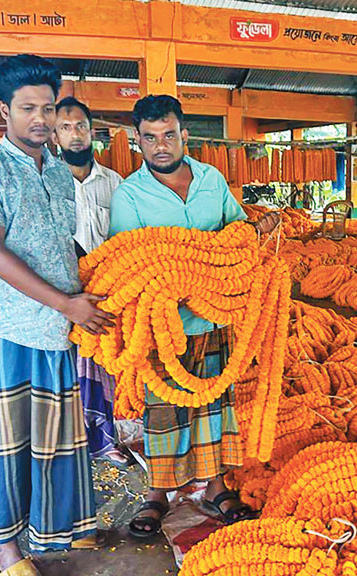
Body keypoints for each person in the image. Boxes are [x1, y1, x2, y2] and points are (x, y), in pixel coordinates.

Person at [0, 54, 113, 576]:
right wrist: (66, 302)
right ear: (4, 109)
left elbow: (61, 244)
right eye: (28, 108)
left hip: (60, 328)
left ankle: (53, 530)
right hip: (11, 329)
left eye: (48, 108)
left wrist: (110, 275)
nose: (41, 119)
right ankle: (7, 553)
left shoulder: (61, 174)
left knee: (59, 439)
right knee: (10, 444)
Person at [109, 95, 280, 539]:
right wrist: (174, 284)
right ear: (137, 142)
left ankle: (217, 489)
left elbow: (236, 234)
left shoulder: (212, 180)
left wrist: (256, 232)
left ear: (184, 134)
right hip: (165, 327)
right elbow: (128, 262)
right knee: (164, 413)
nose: (160, 145)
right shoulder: (130, 195)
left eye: (168, 135)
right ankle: (158, 495)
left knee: (215, 408)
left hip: (216, 318)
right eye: (150, 138)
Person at [51, 96, 134, 468]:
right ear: (55, 134)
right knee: (67, 369)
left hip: (108, 292)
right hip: (62, 293)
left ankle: (106, 440)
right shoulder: (46, 183)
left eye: (81, 126)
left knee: (108, 367)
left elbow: (127, 239)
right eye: (65, 127)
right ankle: (71, 441)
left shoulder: (116, 184)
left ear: (91, 131)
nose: (75, 134)